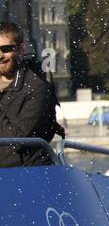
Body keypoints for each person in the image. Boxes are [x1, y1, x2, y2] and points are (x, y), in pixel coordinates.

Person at [0, 21, 63, 168]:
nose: (0, 55)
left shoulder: (37, 87)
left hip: (27, 175)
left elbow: (16, 141)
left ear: (21, 49)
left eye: (6, 48)